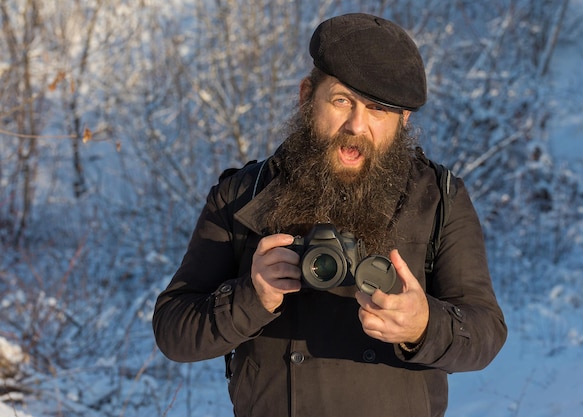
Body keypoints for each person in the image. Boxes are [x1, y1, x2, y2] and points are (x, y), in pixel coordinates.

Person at [153, 12, 507, 417]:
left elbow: (485, 333)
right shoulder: (243, 194)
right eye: (342, 101)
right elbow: (172, 330)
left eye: (378, 109)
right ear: (307, 96)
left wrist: (424, 325)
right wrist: (251, 297)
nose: (357, 125)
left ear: (403, 120)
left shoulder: (438, 199)